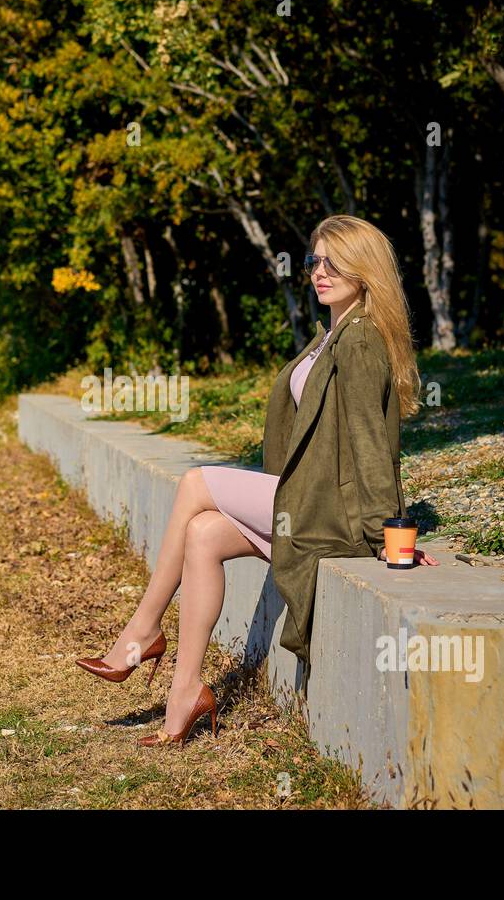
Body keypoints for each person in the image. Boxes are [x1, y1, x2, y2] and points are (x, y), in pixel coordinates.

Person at [76, 215, 437, 746]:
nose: (319, 271)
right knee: (202, 535)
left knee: (196, 483)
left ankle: (143, 629)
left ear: (366, 271)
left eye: (335, 262)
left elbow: (371, 446)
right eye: (315, 261)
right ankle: (186, 691)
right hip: (303, 501)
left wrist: (393, 534)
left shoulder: (359, 341)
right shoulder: (330, 335)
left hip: (325, 511)